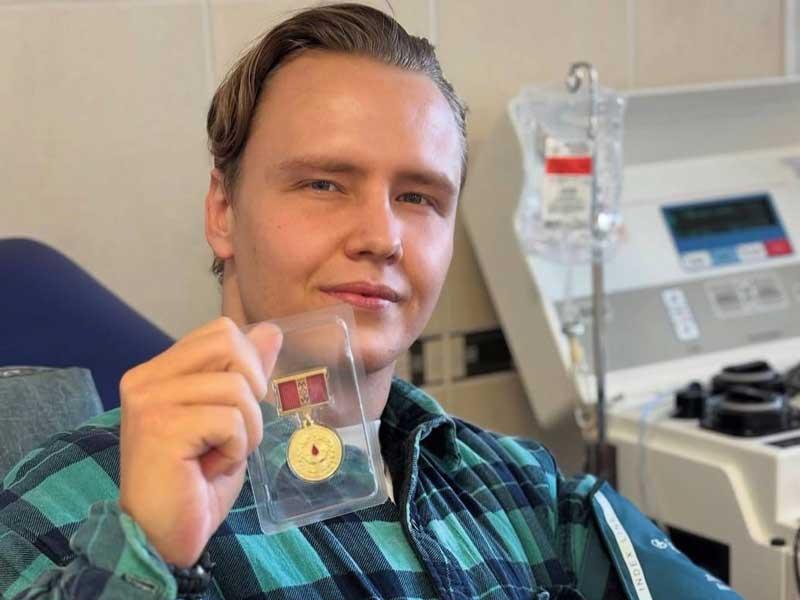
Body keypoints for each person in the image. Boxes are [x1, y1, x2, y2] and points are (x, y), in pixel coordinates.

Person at [0, 4, 741, 599]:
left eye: (418, 197)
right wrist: (144, 556)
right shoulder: (68, 504)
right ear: (223, 210)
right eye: (324, 183)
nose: (382, 237)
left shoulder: (525, 493)